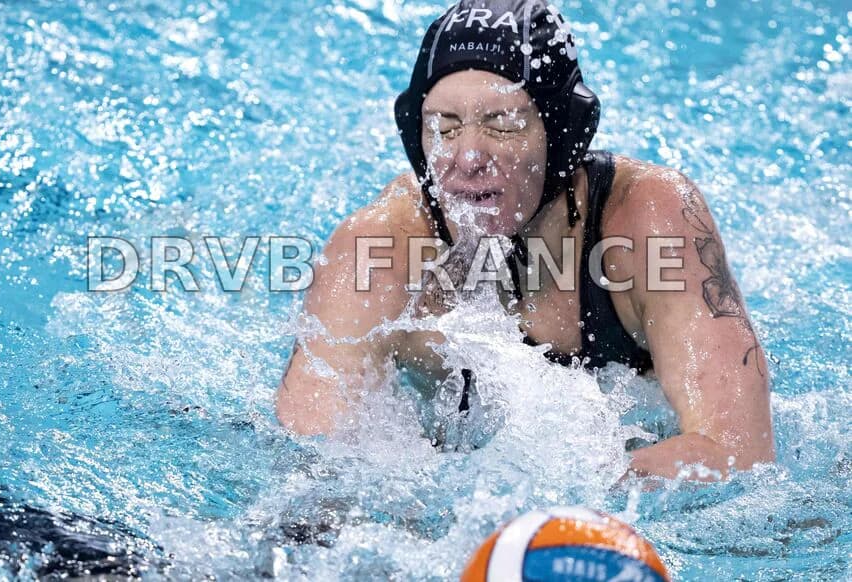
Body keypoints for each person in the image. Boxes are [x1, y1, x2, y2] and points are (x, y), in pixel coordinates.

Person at [275, 0, 774, 479]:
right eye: (444, 128)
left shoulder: (647, 223)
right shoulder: (379, 251)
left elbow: (735, 451)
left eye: (503, 126)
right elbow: (313, 461)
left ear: (561, 134)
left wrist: (558, 499)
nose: (469, 157)